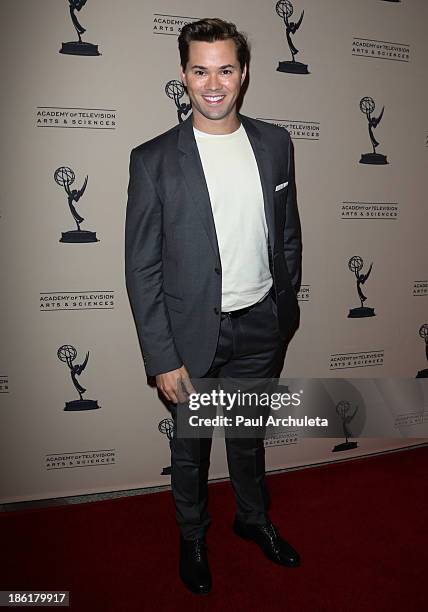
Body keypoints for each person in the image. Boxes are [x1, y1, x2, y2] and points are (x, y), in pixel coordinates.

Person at [125, 17, 302, 595]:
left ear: (243, 73)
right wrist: (161, 356)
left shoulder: (275, 143)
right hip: (191, 338)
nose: (213, 83)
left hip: (260, 327)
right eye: (200, 70)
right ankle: (193, 536)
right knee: (191, 451)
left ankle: (252, 519)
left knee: (249, 439)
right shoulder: (153, 159)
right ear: (183, 75)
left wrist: (283, 312)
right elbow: (142, 267)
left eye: (225, 69)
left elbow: (288, 233)